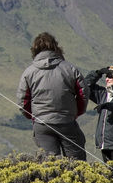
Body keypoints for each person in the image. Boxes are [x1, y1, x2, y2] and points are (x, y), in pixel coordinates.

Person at [16, 32, 88, 160]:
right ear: (56, 47)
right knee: (77, 163)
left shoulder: (29, 72)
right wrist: (75, 113)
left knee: (49, 164)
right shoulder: (70, 69)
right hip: (67, 123)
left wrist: (34, 117)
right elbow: (83, 94)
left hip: (41, 125)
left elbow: (23, 101)